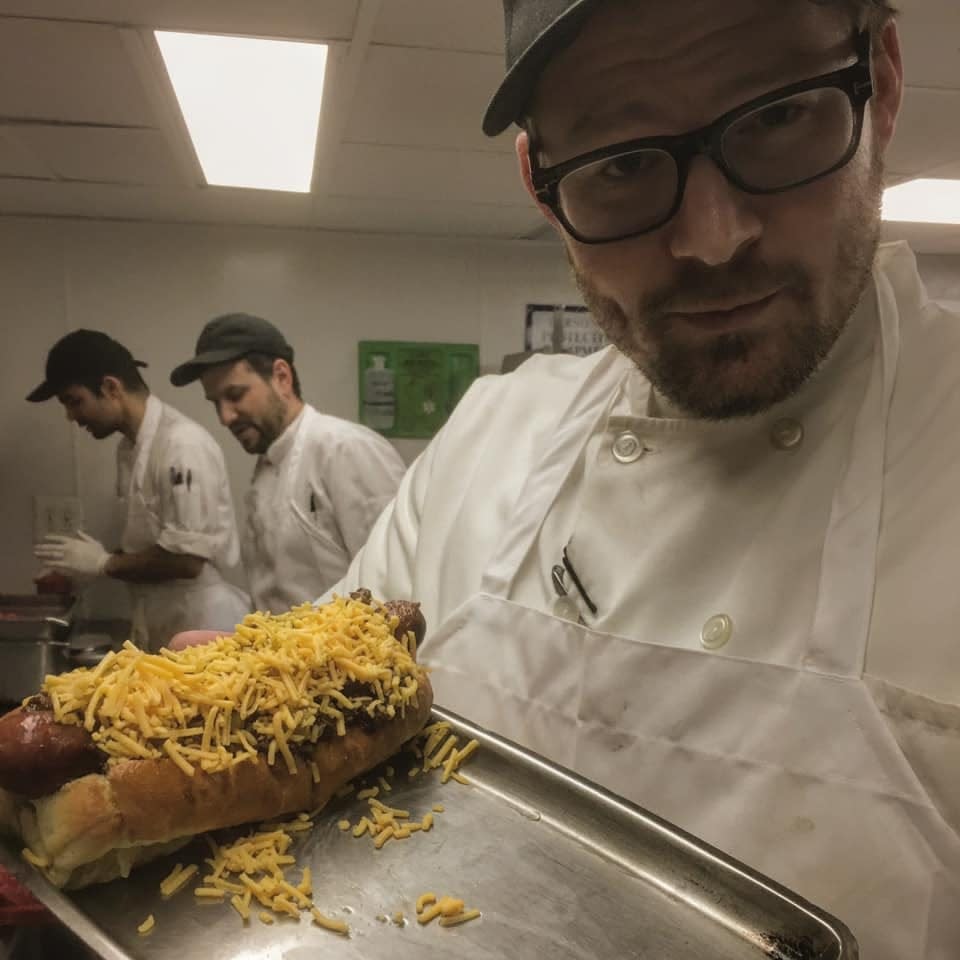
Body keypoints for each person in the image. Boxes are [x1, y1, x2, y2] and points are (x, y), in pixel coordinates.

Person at [310, 1, 960, 955]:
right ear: (540, 185)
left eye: (778, 115)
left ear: (885, 82)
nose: (712, 236)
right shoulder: (487, 442)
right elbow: (311, 756)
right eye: (621, 164)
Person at [170, 313, 407, 612]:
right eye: (215, 402)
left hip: (350, 655)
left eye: (235, 395)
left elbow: (397, 582)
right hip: (288, 654)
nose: (225, 417)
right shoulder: (267, 467)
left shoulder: (345, 449)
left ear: (282, 377)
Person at [29, 330, 250, 651]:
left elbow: (188, 560)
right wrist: (85, 565)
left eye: (75, 401)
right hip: (162, 620)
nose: (71, 416)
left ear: (111, 388)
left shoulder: (181, 444)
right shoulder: (128, 449)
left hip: (203, 622)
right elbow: (155, 544)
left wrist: (104, 564)